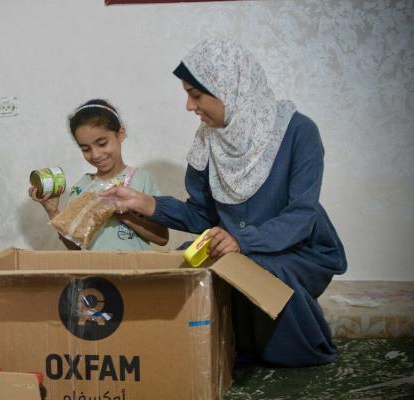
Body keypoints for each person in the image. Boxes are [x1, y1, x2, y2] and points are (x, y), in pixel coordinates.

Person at [101, 39, 347, 367]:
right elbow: (201, 214)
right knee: (184, 264)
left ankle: (299, 353)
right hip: (239, 249)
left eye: (197, 94)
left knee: (254, 268)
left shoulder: (298, 132)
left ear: (231, 88)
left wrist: (241, 240)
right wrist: (145, 203)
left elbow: (301, 216)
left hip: (298, 250)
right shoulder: (208, 139)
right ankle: (220, 346)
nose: (189, 106)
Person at [29, 99, 168, 250]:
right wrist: (53, 212)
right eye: (85, 149)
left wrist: (123, 214)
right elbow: (75, 248)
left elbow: (162, 238)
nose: (95, 154)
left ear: (120, 134)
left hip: (136, 271)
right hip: (96, 272)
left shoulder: (142, 180)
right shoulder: (82, 188)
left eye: (102, 143)